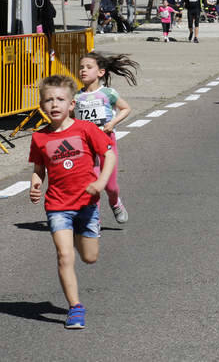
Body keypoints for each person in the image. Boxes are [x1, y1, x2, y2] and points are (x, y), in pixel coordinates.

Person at [29, 75, 117, 329]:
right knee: (64, 255)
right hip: (58, 205)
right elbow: (38, 169)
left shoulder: (86, 129)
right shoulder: (39, 138)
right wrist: (35, 184)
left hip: (87, 203)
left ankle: (80, 235)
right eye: (49, 100)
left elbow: (108, 156)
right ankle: (75, 308)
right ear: (42, 105)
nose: (54, 104)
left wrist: (100, 183)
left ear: (71, 104)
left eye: (60, 99)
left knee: (89, 257)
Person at [73, 51, 138, 223]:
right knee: (93, 184)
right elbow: (70, 118)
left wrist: (112, 123)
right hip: (86, 146)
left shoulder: (108, 93)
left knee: (110, 186)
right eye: (81, 67)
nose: (83, 70)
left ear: (100, 72)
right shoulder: (76, 97)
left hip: (107, 143)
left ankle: (115, 202)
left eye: (88, 67)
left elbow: (126, 108)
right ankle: (94, 221)